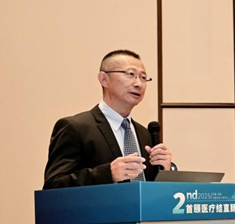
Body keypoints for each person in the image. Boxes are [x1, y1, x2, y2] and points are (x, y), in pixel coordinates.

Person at [43, 49, 175, 189]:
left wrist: (166, 170)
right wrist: (107, 174)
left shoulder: (145, 134)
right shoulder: (75, 128)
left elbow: (151, 189)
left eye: (143, 77)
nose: (138, 84)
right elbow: (53, 185)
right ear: (104, 79)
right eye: (130, 74)